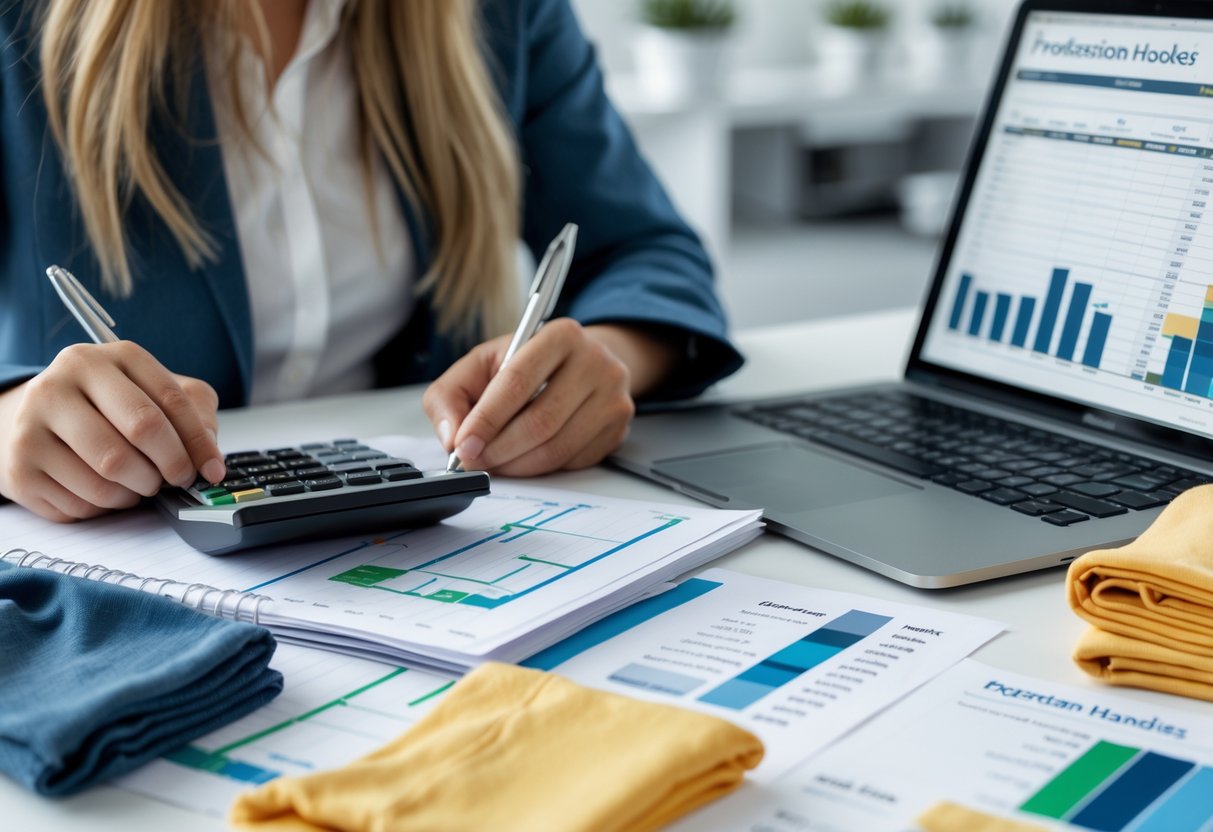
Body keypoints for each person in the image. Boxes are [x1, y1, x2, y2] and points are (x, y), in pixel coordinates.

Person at [0, 0, 741, 523]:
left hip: (428, 537)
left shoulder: (500, 13)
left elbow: (647, 249)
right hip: (130, 559)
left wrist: (606, 356)